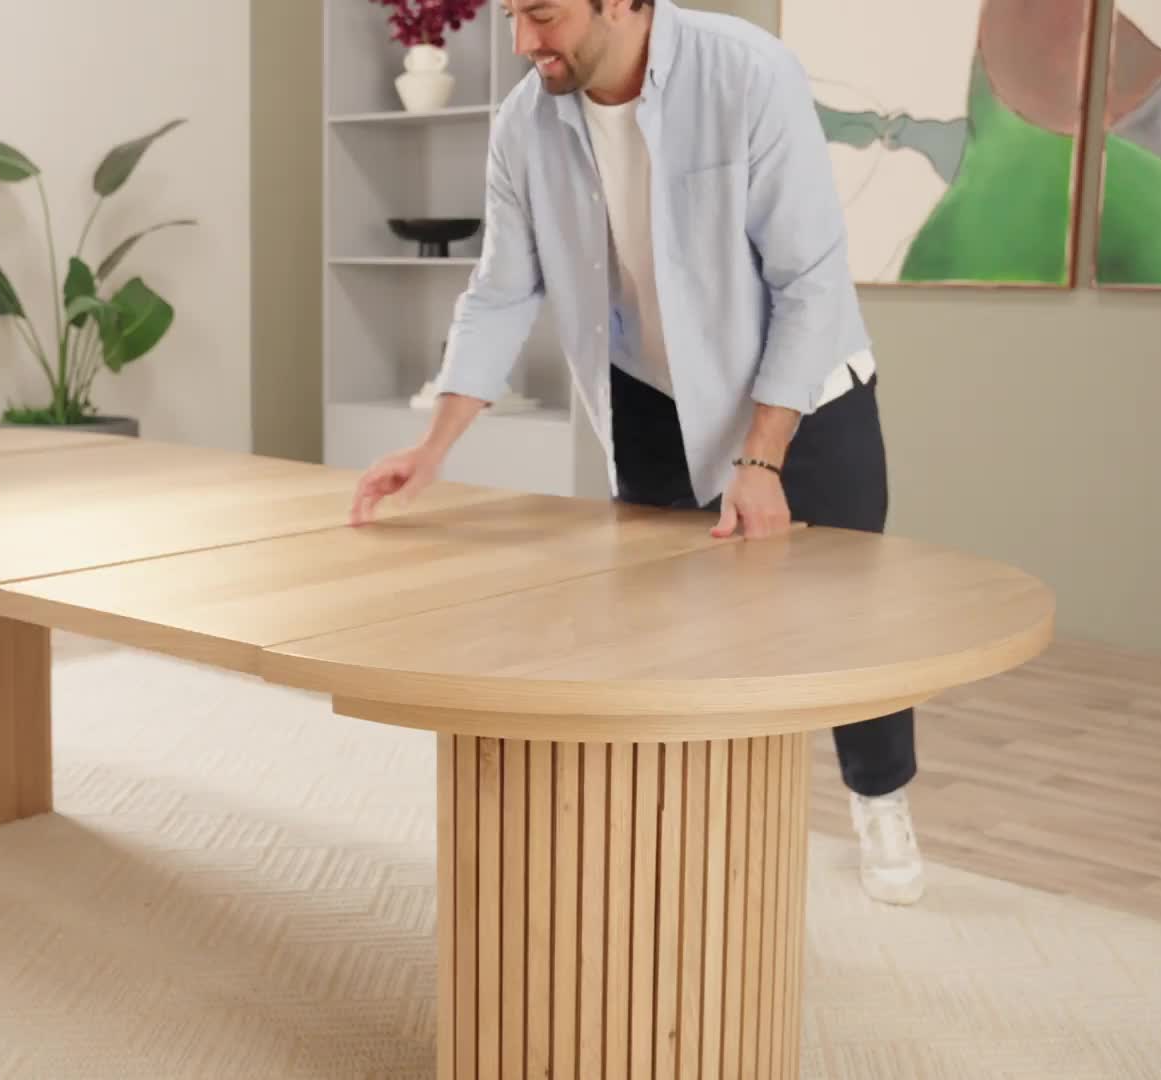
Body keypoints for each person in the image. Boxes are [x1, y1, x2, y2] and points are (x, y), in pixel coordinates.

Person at [347, 0, 924, 904]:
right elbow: (500, 291)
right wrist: (434, 446)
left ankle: (879, 799)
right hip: (654, 397)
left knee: (849, 631)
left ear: (624, 3)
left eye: (544, 15)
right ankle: (692, 829)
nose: (526, 43)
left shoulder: (747, 75)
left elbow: (809, 283)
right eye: (513, 17)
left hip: (805, 393)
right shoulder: (523, 123)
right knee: (667, 632)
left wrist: (762, 460)